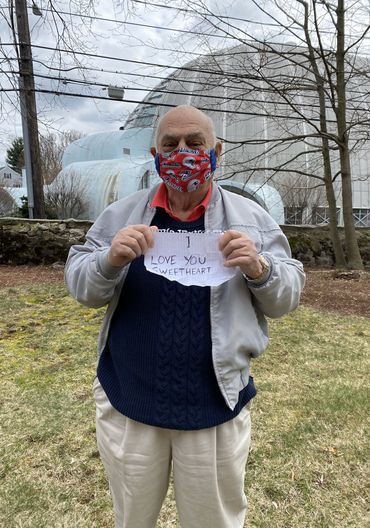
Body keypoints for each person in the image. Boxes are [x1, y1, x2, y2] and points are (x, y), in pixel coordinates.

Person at [65, 105, 305, 528]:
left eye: (195, 144)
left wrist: (259, 268)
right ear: (155, 153)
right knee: (132, 519)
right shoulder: (121, 216)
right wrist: (107, 260)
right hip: (130, 403)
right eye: (171, 145)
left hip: (213, 407)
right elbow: (82, 287)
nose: (183, 153)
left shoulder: (252, 220)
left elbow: (285, 298)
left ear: (216, 151)